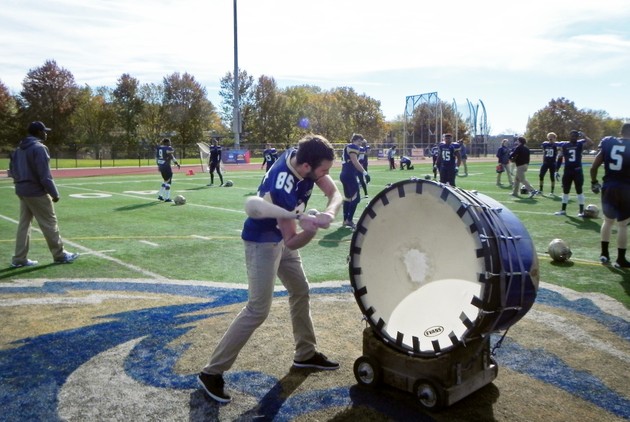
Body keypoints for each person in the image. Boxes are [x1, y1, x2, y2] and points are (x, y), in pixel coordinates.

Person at [197, 134, 343, 403]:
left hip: (281, 238)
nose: (326, 175)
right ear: (307, 167)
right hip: (263, 243)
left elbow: (335, 194)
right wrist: (309, 229)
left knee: (300, 290)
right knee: (257, 310)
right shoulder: (282, 186)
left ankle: (305, 354)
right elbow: (293, 239)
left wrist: (329, 214)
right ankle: (211, 372)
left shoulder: (301, 157)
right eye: (323, 170)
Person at [8, 121, 79, 267]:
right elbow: (44, 175)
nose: (46, 133)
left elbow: (12, 171)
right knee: (49, 223)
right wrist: (54, 193)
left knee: (24, 225)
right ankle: (59, 254)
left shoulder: (19, 148)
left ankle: (19, 258)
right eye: (44, 131)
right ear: (39, 133)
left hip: (22, 190)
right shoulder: (39, 148)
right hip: (36, 191)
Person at [590, 123, 630, 267]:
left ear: (620, 132)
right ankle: (620, 259)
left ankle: (604, 254)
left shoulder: (608, 143)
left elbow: (594, 166)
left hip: (609, 186)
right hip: (626, 188)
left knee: (607, 221)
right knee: (623, 225)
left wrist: (594, 182)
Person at [554, 130, 594, 216]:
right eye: (572, 136)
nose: (573, 137)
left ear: (577, 137)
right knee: (565, 191)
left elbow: (591, 144)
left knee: (579, 190)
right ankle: (563, 210)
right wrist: (556, 170)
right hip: (567, 170)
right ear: (569, 136)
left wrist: (585, 136)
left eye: (575, 136)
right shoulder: (564, 145)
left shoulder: (580, 144)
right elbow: (560, 158)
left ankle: (581, 211)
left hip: (577, 170)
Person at [340, 133, 370, 230]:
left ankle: (345, 220)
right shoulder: (352, 146)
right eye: (358, 141)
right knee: (356, 199)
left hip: (345, 174)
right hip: (349, 174)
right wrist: (365, 173)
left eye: (361, 142)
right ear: (354, 140)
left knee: (348, 198)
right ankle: (349, 220)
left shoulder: (349, 147)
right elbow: (354, 161)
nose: (359, 144)